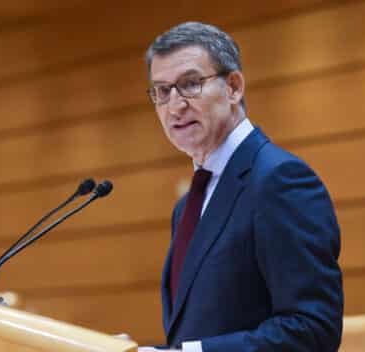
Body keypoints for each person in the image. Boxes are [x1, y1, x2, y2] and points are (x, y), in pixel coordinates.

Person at [142, 22, 343, 352]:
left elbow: (313, 329)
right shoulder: (188, 205)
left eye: (190, 84)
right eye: (162, 91)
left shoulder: (280, 180)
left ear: (233, 87)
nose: (174, 106)